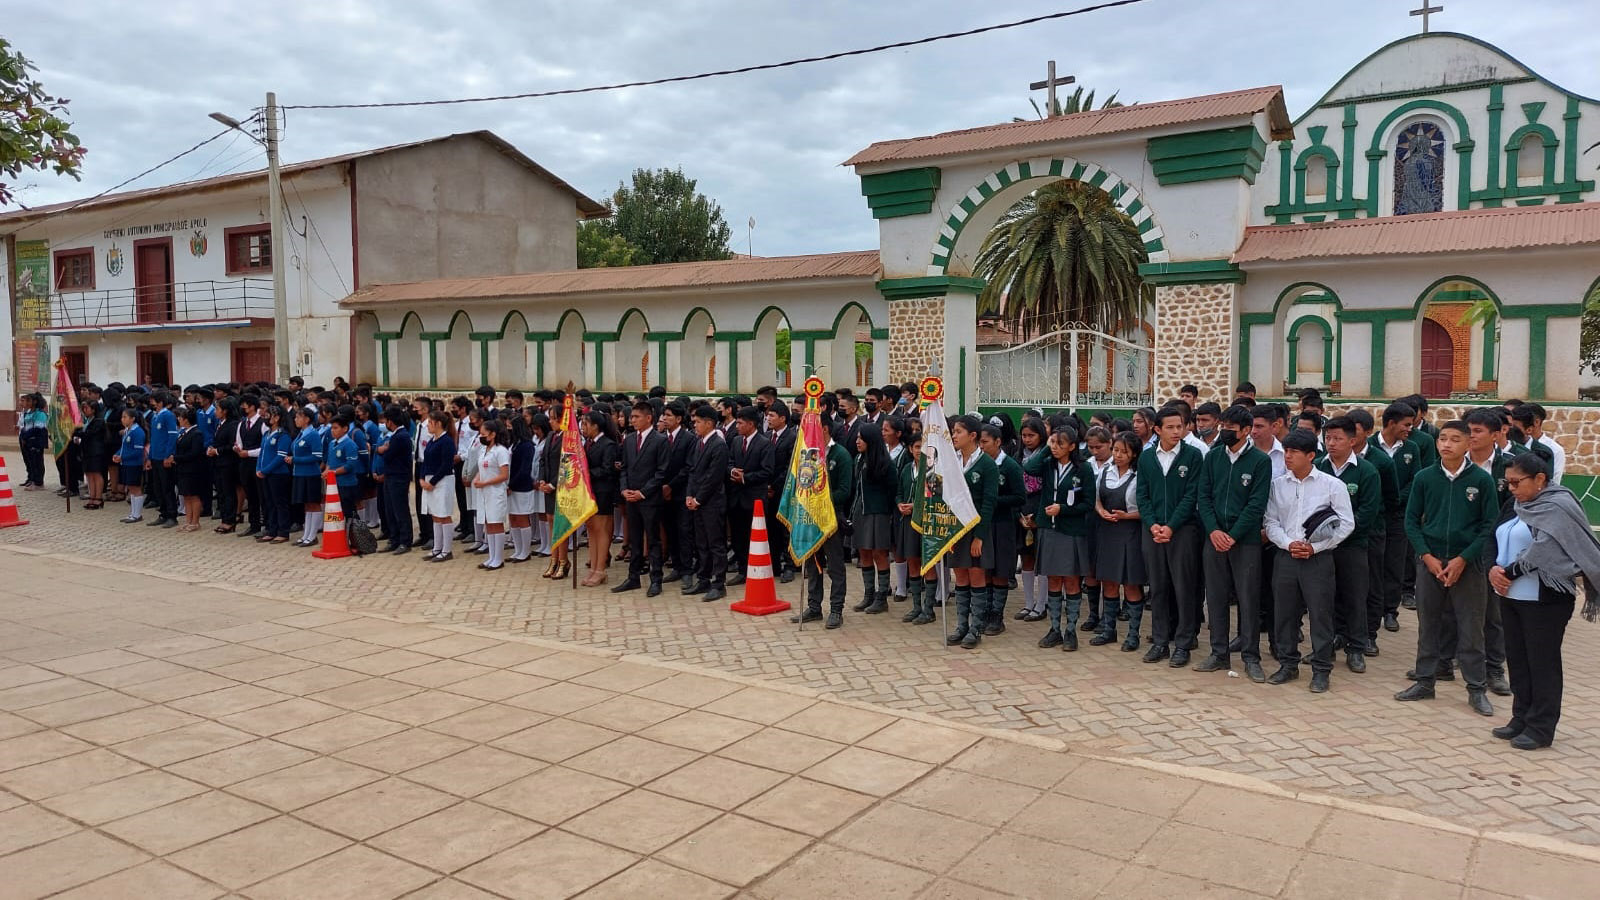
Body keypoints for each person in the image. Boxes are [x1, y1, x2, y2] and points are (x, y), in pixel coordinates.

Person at [1488, 453, 1600, 750]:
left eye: (1516, 482)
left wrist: (1507, 572)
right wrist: (1492, 568)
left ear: (1540, 479)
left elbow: (1543, 550)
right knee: (1518, 660)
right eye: (1508, 483)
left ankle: (1541, 727)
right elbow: (1493, 535)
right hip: (1511, 596)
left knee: (1542, 663)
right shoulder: (1515, 504)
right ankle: (1520, 718)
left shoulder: (1558, 505)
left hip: (1546, 599)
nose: (1511, 488)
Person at [1395, 420, 1500, 716]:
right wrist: (1426, 556)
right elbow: (1411, 521)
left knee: (1471, 628)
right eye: (1442, 438)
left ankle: (1476, 688)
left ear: (1468, 444)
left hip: (1467, 564)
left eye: (1455, 439)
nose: (1447, 444)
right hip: (1430, 562)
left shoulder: (1481, 480)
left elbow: (1488, 525)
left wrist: (1463, 558)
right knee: (1428, 624)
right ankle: (1425, 681)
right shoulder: (1425, 477)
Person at [1264, 430, 1355, 692]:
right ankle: (1288, 664)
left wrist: (1315, 547)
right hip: (1286, 556)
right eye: (1286, 451)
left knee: (1320, 614)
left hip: (1318, 559)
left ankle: (1321, 669)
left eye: (1294, 452)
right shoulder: (1278, 485)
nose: (1287, 457)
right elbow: (1271, 521)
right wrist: (1288, 543)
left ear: (1311, 455)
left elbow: (1346, 524)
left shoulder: (1332, 485)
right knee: (1284, 613)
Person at [1195, 405, 1273, 682]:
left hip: (1245, 542)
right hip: (1214, 540)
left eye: (1231, 428)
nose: (1225, 431)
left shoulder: (1260, 461)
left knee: (1248, 599)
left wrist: (1233, 535)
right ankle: (1219, 653)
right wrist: (1214, 531)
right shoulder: (1213, 457)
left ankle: (1251, 656)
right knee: (1216, 598)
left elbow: (1256, 504)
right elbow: (1203, 497)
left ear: (1246, 430)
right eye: (1223, 426)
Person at [1136, 407, 1205, 666]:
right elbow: (1142, 495)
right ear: (1157, 429)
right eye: (1171, 427)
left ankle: (1184, 643)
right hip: (1153, 532)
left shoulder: (1193, 455)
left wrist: (1172, 526)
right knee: (1158, 587)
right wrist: (1153, 524)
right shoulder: (1146, 458)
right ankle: (1160, 641)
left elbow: (1191, 495)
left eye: (1180, 426)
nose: (1177, 431)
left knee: (1184, 588)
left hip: (1183, 531)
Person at [1315, 416, 1382, 675]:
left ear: (1352, 441)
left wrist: (1341, 533)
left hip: (1353, 545)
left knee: (1355, 596)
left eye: (1338, 438)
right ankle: (1328, 644)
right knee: (1325, 598)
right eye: (1328, 438)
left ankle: (1356, 647)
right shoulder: (1319, 467)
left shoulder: (1366, 471)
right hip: (1323, 546)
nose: (1331, 443)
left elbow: (1368, 511)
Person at [1022, 425, 1095, 650]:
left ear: (1072, 446)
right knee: (1053, 579)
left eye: (1060, 444)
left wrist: (1062, 509)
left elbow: (1088, 503)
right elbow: (1029, 468)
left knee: (1071, 580)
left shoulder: (1083, 468)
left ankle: (1070, 630)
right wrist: (1047, 447)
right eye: (1053, 443)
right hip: (1049, 530)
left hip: (1071, 530)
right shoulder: (1047, 464)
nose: (1055, 447)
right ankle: (1054, 629)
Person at [945, 416, 999, 649]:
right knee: (961, 576)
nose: (954, 436)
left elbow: (989, 503)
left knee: (976, 575)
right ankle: (961, 625)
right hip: (956, 529)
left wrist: (979, 536)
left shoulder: (987, 464)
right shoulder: (952, 461)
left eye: (958, 432)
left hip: (976, 529)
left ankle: (976, 627)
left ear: (973, 436)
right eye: (953, 431)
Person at [795, 423, 856, 628]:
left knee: (835, 565)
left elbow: (844, 491)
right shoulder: (808, 454)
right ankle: (814, 607)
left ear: (825, 429)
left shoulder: (841, 455)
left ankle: (836, 609)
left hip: (831, 517)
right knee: (813, 564)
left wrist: (822, 501)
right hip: (810, 517)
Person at [1094, 432, 1146, 650]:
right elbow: (1096, 499)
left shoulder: (1140, 475)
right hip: (1107, 532)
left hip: (1130, 533)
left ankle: (1133, 634)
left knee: (1131, 584)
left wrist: (1127, 516)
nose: (1118, 455)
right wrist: (1101, 511)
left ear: (1133, 454)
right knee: (1109, 582)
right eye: (1115, 450)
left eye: (1124, 452)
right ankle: (1109, 630)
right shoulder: (1105, 471)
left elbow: (1146, 508)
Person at [615, 400, 670, 595]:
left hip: (650, 499)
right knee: (635, 539)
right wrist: (624, 489)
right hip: (631, 497)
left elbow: (662, 472)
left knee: (653, 540)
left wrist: (643, 492)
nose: (633, 420)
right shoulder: (629, 440)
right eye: (632, 417)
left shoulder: (660, 440)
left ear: (648, 418)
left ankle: (656, 579)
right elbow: (624, 468)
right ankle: (633, 577)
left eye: (637, 417)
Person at [685, 404, 730, 601]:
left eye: (697, 422)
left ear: (709, 423)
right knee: (701, 543)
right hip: (697, 501)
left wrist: (698, 498)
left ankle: (718, 583)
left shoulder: (718, 445)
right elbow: (693, 471)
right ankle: (703, 579)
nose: (694, 425)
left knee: (715, 544)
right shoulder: (699, 442)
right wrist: (689, 495)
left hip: (712, 502)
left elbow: (714, 477)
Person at [851, 422, 896, 614]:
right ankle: (868, 594)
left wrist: (888, 512)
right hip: (861, 511)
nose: (858, 441)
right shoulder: (859, 459)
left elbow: (893, 490)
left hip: (878, 513)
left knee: (879, 553)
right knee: (864, 553)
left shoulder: (886, 463)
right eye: (857, 437)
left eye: (862, 438)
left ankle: (882, 596)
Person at [726, 407, 774, 586]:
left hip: (754, 498)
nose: (737, 426)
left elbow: (767, 470)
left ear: (751, 424)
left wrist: (745, 477)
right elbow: (729, 461)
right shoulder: (736, 441)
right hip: (736, 498)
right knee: (737, 536)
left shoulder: (764, 443)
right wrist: (732, 471)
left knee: (754, 536)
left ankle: (756, 570)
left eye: (740, 423)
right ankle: (742, 569)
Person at [1014, 419, 1050, 623]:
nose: (1027, 439)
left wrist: (1037, 516)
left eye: (1032, 435)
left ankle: (1042, 604)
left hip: (1041, 513)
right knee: (1026, 558)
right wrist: (1020, 514)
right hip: (1022, 513)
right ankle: (1028, 603)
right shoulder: (1018, 457)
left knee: (1041, 560)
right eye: (1024, 435)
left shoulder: (1047, 457)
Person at [581, 409, 621, 586]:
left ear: (596, 426)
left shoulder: (608, 444)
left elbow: (607, 469)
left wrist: (587, 473)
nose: (583, 428)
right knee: (591, 529)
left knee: (601, 529)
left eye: (586, 424)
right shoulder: (587, 444)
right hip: (589, 491)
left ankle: (600, 569)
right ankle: (593, 567)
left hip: (603, 491)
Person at [895, 431, 931, 625]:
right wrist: (900, 504)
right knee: (913, 562)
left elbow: (937, 497)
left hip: (927, 523)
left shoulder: (933, 470)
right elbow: (898, 491)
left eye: (923, 447)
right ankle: (917, 606)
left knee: (928, 563)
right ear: (910, 449)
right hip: (908, 523)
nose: (920, 451)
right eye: (916, 447)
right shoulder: (906, 469)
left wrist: (917, 506)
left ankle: (929, 608)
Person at [472, 418, 511, 571]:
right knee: (488, 523)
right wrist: (477, 478)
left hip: (495, 492)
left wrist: (485, 483)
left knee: (496, 523)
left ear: (493, 434)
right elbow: (481, 469)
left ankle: (498, 558)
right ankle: (491, 556)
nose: (481, 437)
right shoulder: (484, 450)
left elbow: (504, 475)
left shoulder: (501, 451)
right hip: (484, 492)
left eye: (484, 434)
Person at [420, 411, 458, 563]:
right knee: (435, 514)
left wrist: (433, 482)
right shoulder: (432, 440)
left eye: (430, 422)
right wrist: (422, 478)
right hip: (429, 480)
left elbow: (446, 465)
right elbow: (425, 461)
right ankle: (437, 547)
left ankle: (447, 550)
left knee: (444, 514)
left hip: (443, 481)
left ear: (438, 424)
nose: (428, 425)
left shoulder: (446, 441)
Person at [377, 406, 414, 552]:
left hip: (398, 476)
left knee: (400, 510)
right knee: (390, 509)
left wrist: (382, 450)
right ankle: (394, 539)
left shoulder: (401, 436)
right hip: (391, 475)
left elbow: (388, 455)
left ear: (390, 422)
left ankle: (405, 540)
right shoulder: (396, 435)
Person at [256, 405, 293, 543]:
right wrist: (259, 469)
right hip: (265, 474)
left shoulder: (283, 435)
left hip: (278, 474)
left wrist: (265, 470)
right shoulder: (267, 434)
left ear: (277, 418)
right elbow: (262, 453)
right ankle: (272, 530)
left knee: (280, 503)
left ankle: (283, 531)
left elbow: (280, 457)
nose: (265, 418)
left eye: (268, 415)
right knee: (269, 503)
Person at [504, 414, 536, 564]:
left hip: (522, 486)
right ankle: (518, 550)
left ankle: (525, 551)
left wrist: (511, 484)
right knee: (513, 518)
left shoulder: (527, 446)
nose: (508, 429)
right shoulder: (514, 444)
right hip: (511, 485)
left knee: (522, 518)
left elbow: (524, 469)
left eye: (510, 427)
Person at [146, 391, 180, 527]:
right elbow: (153, 439)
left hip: (164, 458)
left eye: (153, 401)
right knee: (158, 488)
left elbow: (172, 436)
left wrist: (168, 455)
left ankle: (172, 515)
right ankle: (163, 513)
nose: (151, 404)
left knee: (167, 487)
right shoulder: (155, 417)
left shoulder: (168, 415)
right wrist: (149, 457)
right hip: (155, 457)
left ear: (160, 402)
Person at [173, 407, 209, 532]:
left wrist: (177, 458)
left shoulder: (196, 433)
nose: (179, 419)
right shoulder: (184, 432)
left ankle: (195, 522)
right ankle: (188, 521)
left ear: (186, 420)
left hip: (193, 469)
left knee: (194, 495)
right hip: (183, 468)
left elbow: (195, 453)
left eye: (181, 417)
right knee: (186, 495)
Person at [113, 408, 147, 523]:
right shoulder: (128, 430)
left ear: (132, 419)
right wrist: (117, 454)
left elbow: (137, 452)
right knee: (131, 488)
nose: (122, 419)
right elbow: (124, 447)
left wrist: (122, 457)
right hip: (126, 463)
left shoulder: (138, 432)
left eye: (125, 417)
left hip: (134, 464)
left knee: (135, 488)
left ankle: (137, 515)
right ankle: (133, 513)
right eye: (122, 417)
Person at [18, 393, 48, 490]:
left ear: (34, 402)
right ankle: (33, 480)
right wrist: (23, 436)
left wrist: (26, 435)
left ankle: (39, 483)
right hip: (28, 441)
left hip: (36, 441)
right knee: (31, 462)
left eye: (28, 401)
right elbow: (25, 426)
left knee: (37, 462)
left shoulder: (40, 414)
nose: (26, 403)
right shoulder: (29, 413)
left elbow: (38, 429)